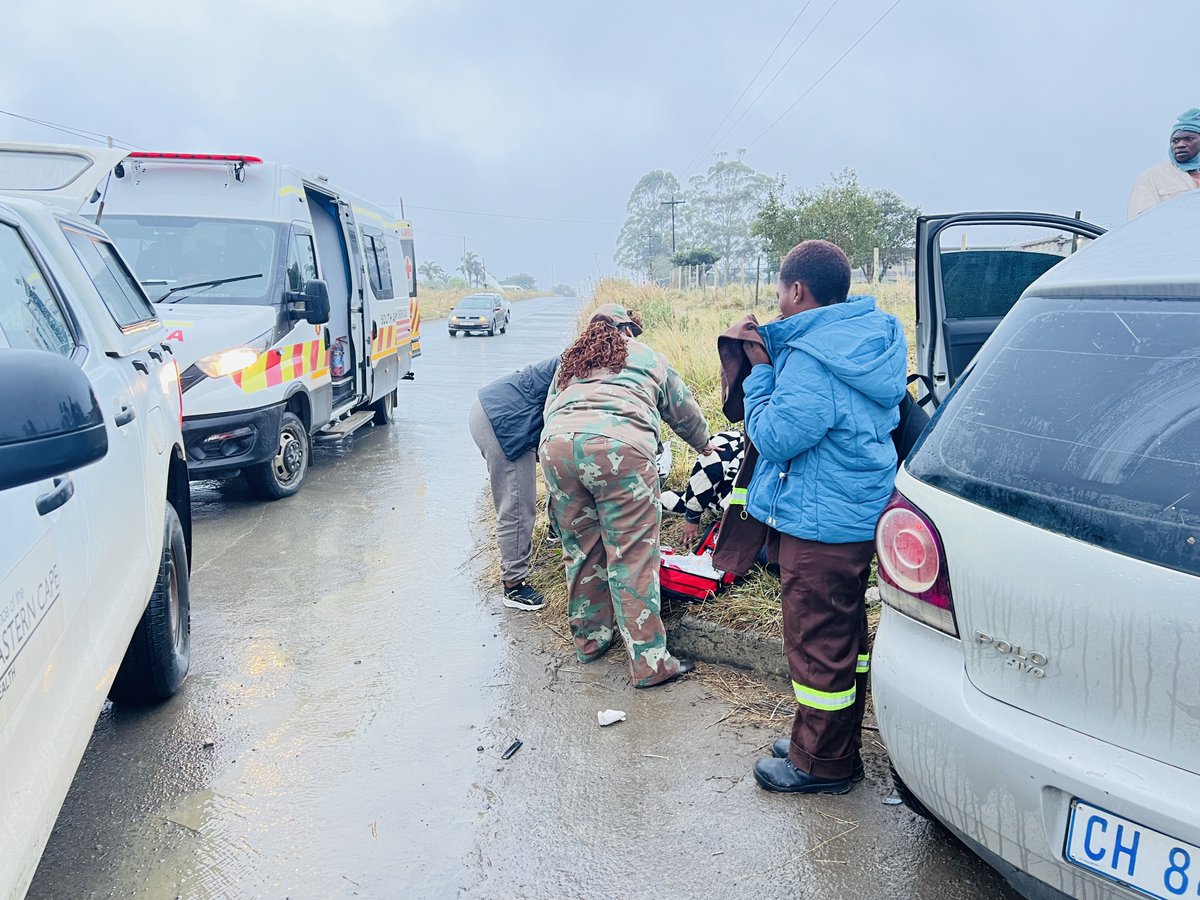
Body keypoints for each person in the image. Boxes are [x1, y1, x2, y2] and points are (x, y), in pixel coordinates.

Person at [743, 241, 907, 795]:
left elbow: (776, 437)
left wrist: (759, 376)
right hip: (857, 513)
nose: (778, 303)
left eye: (779, 291)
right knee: (844, 639)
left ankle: (821, 763)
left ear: (797, 290)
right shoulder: (870, 337)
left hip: (820, 522)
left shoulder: (813, 358)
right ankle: (831, 741)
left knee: (817, 642)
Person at [540, 303, 713, 688]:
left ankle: (591, 642)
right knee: (632, 557)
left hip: (557, 450)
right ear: (628, 329)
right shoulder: (647, 356)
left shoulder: (571, 360)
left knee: (582, 552)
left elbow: (551, 410)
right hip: (619, 450)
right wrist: (703, 443)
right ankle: (650, 664)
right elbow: (683, 410)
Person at [468, 357, 559, 610]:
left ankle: (556, 529)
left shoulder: (587, 357)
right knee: (517, 504)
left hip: (498, 407)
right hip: (503, 421)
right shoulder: (583, 366)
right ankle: (514, 585)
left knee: (563, 466)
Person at [1128, 108, 1200, 218]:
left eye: (1189, 139)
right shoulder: (1152, 177)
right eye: (1175, 141)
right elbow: (1140, 220)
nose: (1180, 145)